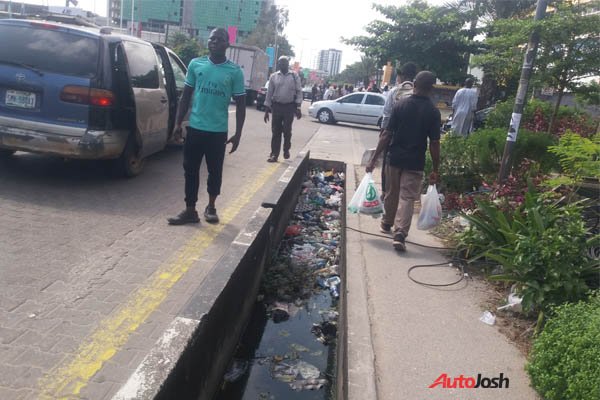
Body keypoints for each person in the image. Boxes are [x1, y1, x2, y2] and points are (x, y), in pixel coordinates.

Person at [167, 28, 246, 225]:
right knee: (190, 170)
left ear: (227, 44)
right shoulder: (196, 64)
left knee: (215, 171)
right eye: (212, 39)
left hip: (217, 132)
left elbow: (242, 104)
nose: (214, 42)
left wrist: (238, 134)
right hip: (195, 128)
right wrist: (178, 123)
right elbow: (185, 96)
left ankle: (211, 207)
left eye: (220, 40)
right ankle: (190, 210)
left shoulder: (235, 71)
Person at [366, 71, 441, 252]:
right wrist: (436, 169)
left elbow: (386, 135)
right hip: (415, 161)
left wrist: (374, 158)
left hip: (395, 158)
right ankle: (400, 234)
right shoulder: (433, 112)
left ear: (414, 84)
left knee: (392, 192)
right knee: (407, 197)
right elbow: (435, 143)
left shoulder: (400, 105)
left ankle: (386, 223)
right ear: (431, 89)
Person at [379, 62, 418, 199]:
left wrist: (383, 135)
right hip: (414, 140)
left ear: (401, 75)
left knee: (387, 165)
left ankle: (385, 192)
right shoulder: (418, 92)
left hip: (393, 136)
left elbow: (387, 115)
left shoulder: (395, 91)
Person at [264, 56, 302, 163]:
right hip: (276, 107)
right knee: (276, 132)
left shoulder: (294, 76)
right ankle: (274, 155)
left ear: (287, 64)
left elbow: (299, 91)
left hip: (289, 107)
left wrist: (298, 107)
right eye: (280, 63)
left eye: (284, 63)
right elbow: (269, 93)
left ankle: (286, 149)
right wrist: (267, 110)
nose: (281, 65)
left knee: (287, 130)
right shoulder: (274, 77)